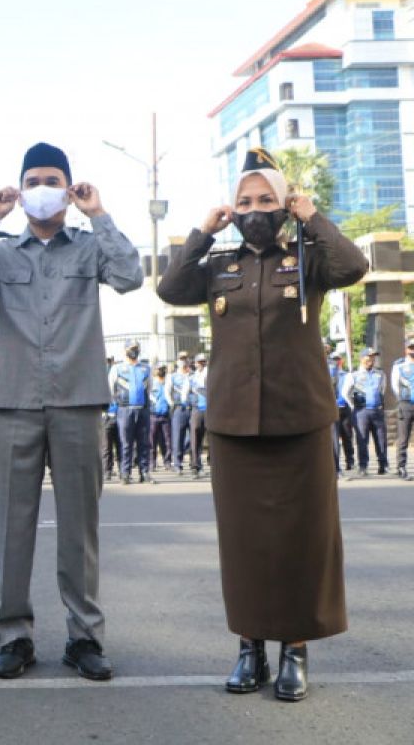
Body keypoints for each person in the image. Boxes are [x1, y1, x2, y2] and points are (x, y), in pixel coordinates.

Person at [157, 146, 367, 702]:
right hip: (234, 424)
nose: (254, 208)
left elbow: (353, 266)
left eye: (266, 199)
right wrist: (202, 231)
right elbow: (170, 288)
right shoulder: (219, 266)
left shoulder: (307, 256)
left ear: (284, 202)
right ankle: (249, 649)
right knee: (244, 544)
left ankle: (294, 649)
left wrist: (309, 216)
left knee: (304, 541)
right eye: (244, 200)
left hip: (299, 419)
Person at [0, 141, 143, 681]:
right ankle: (13, 636)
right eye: (32, 181)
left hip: (79, 401)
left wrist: (98, 213)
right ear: (20, 188)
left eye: (52, 180)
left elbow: (130, 275)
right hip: (14, 404)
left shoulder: (87, 246)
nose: (42, 190)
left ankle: (84, 638)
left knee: (79, 531)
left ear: (70, 187)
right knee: (13, 528)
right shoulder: (4, 251)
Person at [109, 339, 152, 484]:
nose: (135, 351)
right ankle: (125, 473)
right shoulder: (117, 368)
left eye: (137, 348)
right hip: (125, 410)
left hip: (142, 410)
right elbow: (110, 389)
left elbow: (149, 388)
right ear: (126, 350)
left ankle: (144, 472)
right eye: (132, 348)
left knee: (144, 443)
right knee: (125, 443)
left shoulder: (145, 368)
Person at [342, 347, 387, 479]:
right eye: (369, 357)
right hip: (361, 411)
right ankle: (363, 466)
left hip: (376, 410)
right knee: (362, 440)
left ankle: (383, 465)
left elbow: (383, 390)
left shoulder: (380, 374)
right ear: (362, 359)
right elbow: (346, 393)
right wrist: (353, 405)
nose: (371, 359)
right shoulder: (353, 375)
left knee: (381, 438)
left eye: (373, 357)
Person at [390, 339, 414, 481]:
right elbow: (395, 385)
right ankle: (401, 467)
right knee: (403, 438)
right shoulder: (399, 365)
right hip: (405, 404)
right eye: (411, 347)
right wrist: (402, 399)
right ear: (406, 349)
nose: (413, 350)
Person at [328, 353, 354, 476]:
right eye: (333, 360)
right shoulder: (327, 374)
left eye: (337, 359)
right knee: (334, 438)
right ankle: (336, 467)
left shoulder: (346, 374)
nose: (336, 362)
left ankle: (350, 461)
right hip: (333, 408)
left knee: (347, 435)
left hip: (345, 408)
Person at [168, 356, 193, 472]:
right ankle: (177, 464)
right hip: (179, 409)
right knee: (178, 436)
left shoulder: (193, 375)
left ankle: (195, 464)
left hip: (193, 408)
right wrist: (172, 403)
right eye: (182, 359)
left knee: (193, 437)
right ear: (178, 361)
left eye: (186, 359)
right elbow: (167, 392)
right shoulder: (172, 376)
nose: (184, 361)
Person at [189, 354, 209, 476]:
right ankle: (196, 465)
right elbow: (186, 392)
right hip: (196, 409)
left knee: (211, 437)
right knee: (195, 437)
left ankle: (213, 463)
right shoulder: (192, 377)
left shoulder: (210, 374)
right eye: (199, 362)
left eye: (203, 362)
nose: (201, 364)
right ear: (195, 363)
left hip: (209, 409)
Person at [149, 364, 171, 472]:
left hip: (165, 415)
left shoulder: (167, 383)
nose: (161, 371)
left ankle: (167, 462)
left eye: (163, 369)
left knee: (167, 441)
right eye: (159, 369)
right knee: (152, 441)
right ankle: (152, 463)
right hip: (153, 415)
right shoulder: (152, 383)